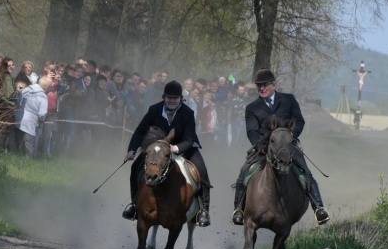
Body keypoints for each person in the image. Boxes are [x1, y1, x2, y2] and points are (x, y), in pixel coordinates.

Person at [231, 69, 329, 226]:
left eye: (265, 85)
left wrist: (290, 137)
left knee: (305, 171)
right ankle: (238, 210)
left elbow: (299, 120)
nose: (262, 89)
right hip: (264, 148)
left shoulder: (289, 100)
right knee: (245, 172)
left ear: (274, 85)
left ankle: (318, 207)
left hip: (287, 147)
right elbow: (251, 131)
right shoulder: (251, 108)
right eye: (259, 86)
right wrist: (261, 146)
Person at [121, 80, 211, 227]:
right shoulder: (154, 109)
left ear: (180, 99)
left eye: (175, 98)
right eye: (169, 98)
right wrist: (131, 149)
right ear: (164, 97)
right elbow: (140, 130)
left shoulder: (188, 113)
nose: (172, 101)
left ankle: (204, 210)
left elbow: (189, 138)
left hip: (184, 146)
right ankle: (134, 205)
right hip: (158, 147)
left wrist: (177, 148)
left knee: (202, 171)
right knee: (135, 168)